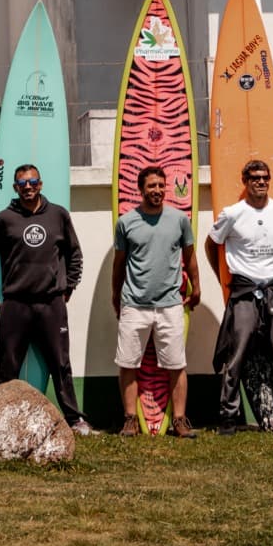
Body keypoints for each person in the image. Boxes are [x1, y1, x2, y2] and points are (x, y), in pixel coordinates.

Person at [0, 164, 92, 435]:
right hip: (15, 303)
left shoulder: (58, 215)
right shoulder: (5, 219)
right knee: (7, 367)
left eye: (32, 182)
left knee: (60, 364)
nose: (27, 187)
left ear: (40, 184)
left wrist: (69, 285)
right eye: (22, 184)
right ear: (15, 188)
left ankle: (75, 419)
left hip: (51, 303)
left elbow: (74, 253)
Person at [207, 159, 273, 435]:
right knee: (236, 354)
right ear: (245, 181)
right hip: (244, 290)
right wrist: (223, 277)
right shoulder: (232, 214)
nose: (261, 182)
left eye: (265, 177)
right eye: (255, 178)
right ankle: (228, 417)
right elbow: (211, 244)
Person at [111, 165, 201, 438]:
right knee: (128, 363)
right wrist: (116, 295)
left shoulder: (179, 220)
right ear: (141, 189)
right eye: (152, 186)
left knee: (176, 364)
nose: (158, 190)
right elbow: (119, 264)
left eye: (161, 185)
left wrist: (196, 287)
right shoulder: (126, 222)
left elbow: (190, 256)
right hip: (134, 303)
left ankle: (180, 420)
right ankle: (130, 419)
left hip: (170, 304)